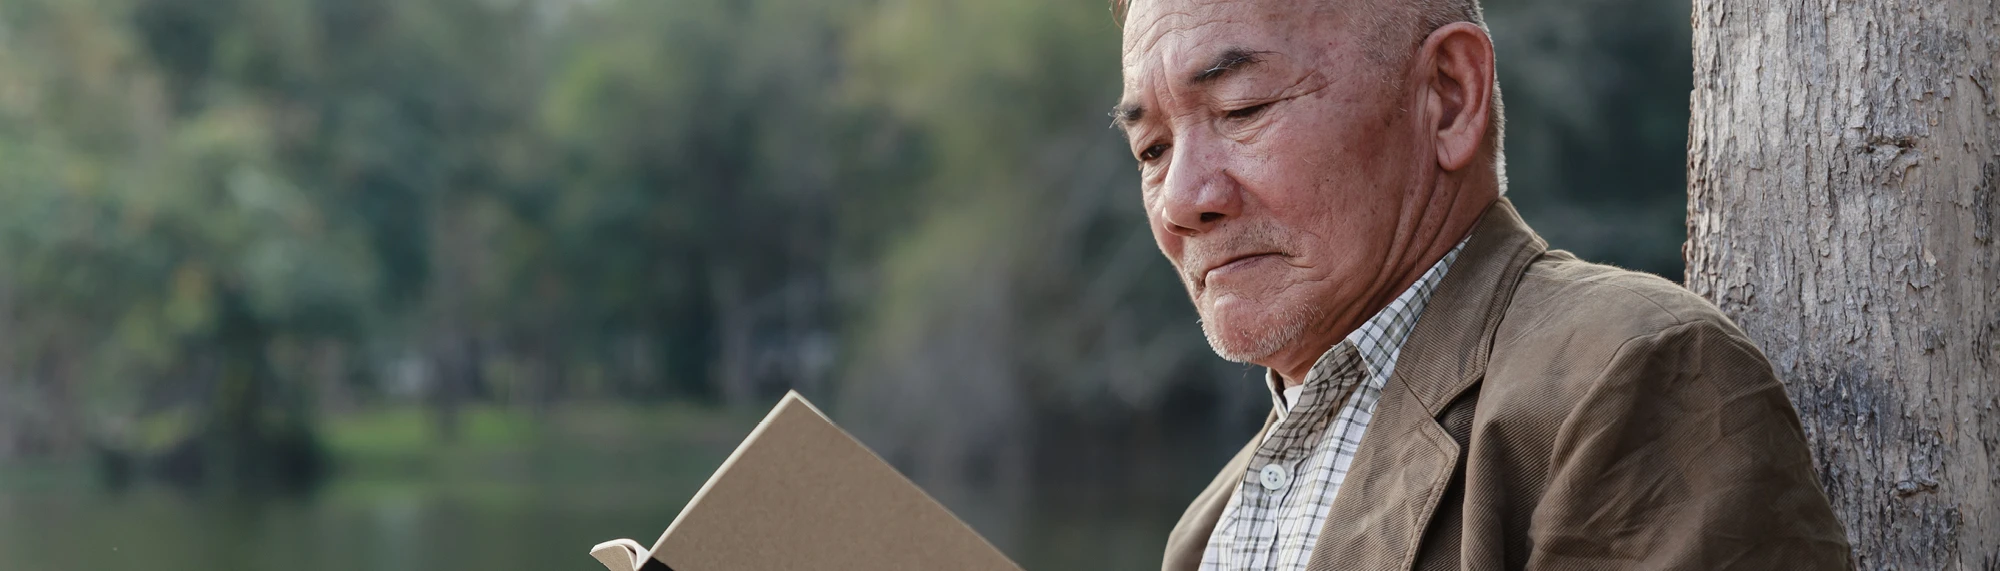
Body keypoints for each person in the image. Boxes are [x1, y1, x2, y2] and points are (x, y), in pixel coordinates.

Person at [1108, 0, 1854, 568]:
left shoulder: (1625, 376)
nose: (1181, 199)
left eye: (1243, 108)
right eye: (1151, 148)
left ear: (1449, 94)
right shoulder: (1207, 527)